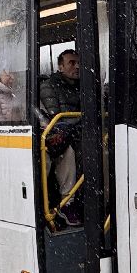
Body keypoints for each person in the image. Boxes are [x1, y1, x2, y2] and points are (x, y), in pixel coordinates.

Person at [38, 49, 82, 225]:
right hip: (59, 136)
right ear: (60, 67)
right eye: (72, 63)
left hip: (77, 132)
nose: (77, 66)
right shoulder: (49, 87)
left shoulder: (83, 85)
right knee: (67, 152)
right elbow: (56, 119)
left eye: (78, 63)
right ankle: (66, 203)